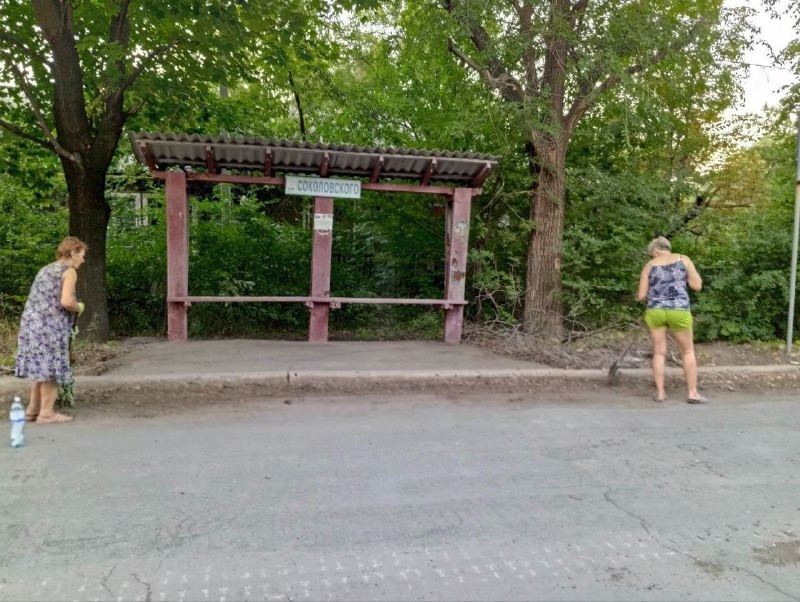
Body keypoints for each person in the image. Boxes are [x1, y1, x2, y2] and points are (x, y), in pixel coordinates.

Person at [15, 237, 87, 424]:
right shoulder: (68, 271)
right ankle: (46, 413)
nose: (83, 260)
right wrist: (79, 307)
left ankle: (33, 410)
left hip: (31, 325)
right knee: (51, 371)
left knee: (41, 368)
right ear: (73, 253)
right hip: (50, 327)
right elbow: (66, 301)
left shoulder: (46, 269)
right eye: (81, 255)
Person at [637, 236, 707, 404]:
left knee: (659, 352)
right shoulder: (684, 260)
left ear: (655, 250)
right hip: (679, 309)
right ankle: (692, 393)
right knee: (688, 351)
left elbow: (641, 295)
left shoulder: (649, 266)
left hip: (656, 311)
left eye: (651, 253)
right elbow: (697, 286)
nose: (651, 256)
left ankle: (660, 393)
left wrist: (654, 295)